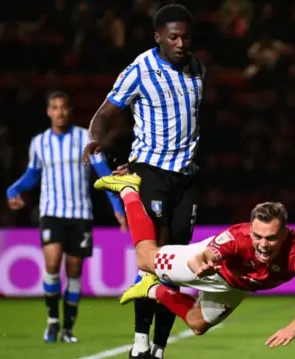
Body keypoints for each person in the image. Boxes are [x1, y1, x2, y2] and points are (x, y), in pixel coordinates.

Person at [82, 4, 205, 359]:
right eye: (173, 37)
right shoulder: (140, 69)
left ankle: (159, 348)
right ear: (158, 38)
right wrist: (97, 145)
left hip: (186, 176)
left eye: (186, 36)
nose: (181, 43)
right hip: (151, 171)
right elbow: (103, 115)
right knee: (154, 258)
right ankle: (139, 343)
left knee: (179, 266)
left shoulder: (199, 68)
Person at [94, 174, 295, 348]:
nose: (262, 244)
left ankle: (152, 289)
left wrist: (293, 326)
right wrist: (200, 263)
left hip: (237, 286)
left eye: (271, 238)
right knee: (144, 258)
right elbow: (207, 255)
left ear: (284, 233)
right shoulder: (236, 238)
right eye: (257, 236)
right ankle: (128, 190)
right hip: (214, 270)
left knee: (198, 325)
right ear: (250, 230)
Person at [6, 91, 127, 344]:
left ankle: (69, 328)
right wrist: (13, 189)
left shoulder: (86, 137)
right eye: (55, 108)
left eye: (63, 107)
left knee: (74, 271)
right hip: (51, 212)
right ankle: (52, 322)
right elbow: (32, 175)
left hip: (80, 214)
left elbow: (102, 172)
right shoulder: (39, 142)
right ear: (48, 112)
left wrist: (117, 206)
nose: (59, 112)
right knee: (51, 264)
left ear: (70, 110)